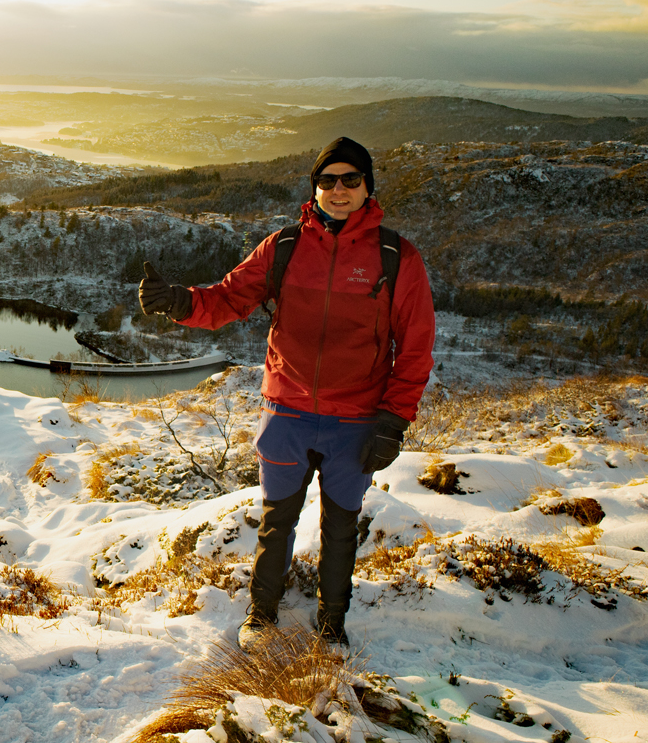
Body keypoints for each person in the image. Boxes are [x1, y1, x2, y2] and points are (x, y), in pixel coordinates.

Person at [137, 136, 435, 648]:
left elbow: (415, 345)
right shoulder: (285, 247)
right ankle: (261, 616)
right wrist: (180, 302)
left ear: (367, 186)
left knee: (340, 528)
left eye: (350, 179)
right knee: (276, 522)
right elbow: (230, 297)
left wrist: (393, 420)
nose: (338, 190)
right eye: (327, 180)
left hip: (356, 419)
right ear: (314, 187)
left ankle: (332, 625)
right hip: (286, 412)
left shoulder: (396, 257)